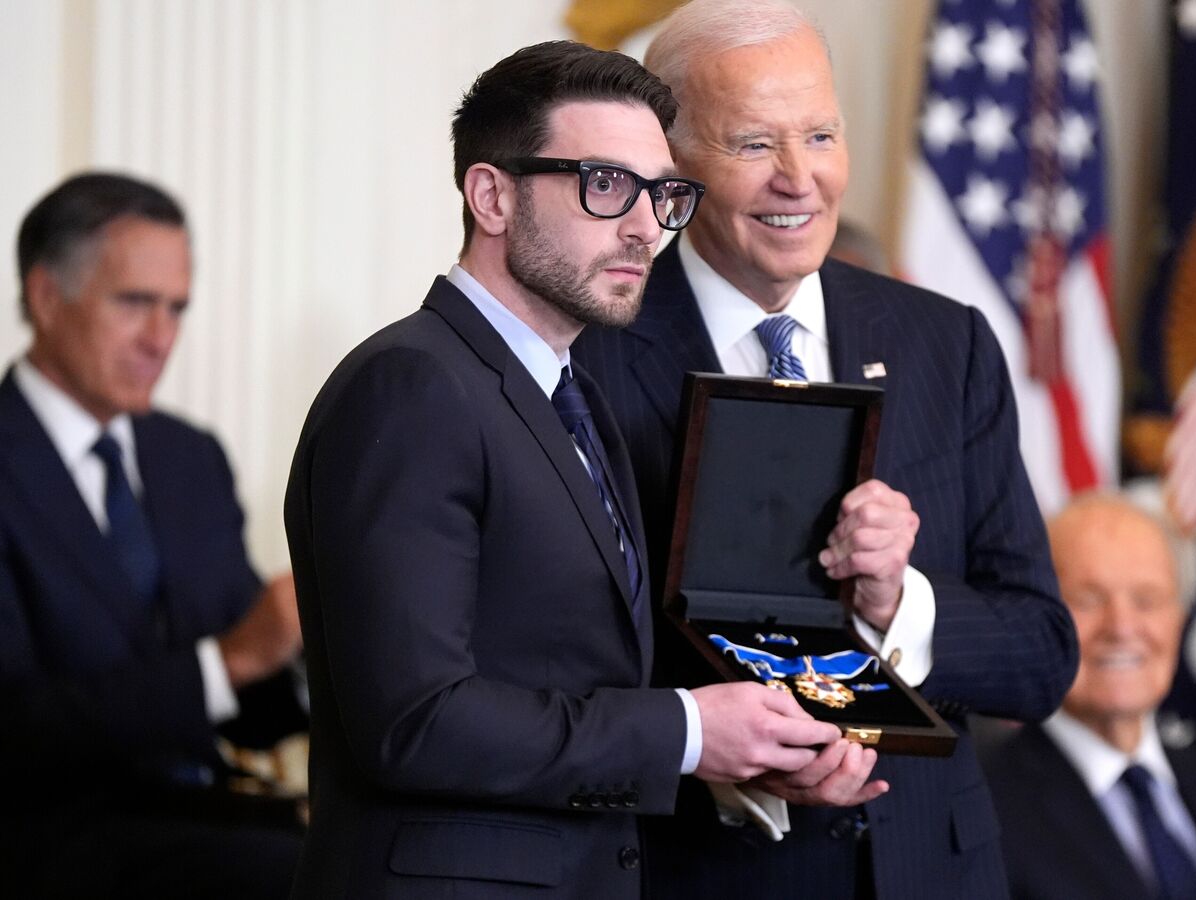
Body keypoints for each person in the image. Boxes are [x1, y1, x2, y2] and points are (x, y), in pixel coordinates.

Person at [283, 40, 844, 898]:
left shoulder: (572, 393)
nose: (645, 227)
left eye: (663, 194)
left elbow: (572, 678)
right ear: (492, 195)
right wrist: (687, 731)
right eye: (605, 184)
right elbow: (413, 719)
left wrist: (749, 751)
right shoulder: (412, 385)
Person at [570, 2, 1079, 896]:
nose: (799, 179)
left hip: (932, 871)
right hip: (699, 871)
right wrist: (721, 760)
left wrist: (898, 607)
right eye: (755, 145)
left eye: (820, 135)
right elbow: (559, 670)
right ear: (675, 164)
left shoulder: (944, 345)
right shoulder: (590, 356)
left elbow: (1040, 652)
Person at [0, 172, 307, 897]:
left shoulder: (187, 457)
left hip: (208, 818)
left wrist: (312, 646)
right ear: (47, 297)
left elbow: (250, 705)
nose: (161, 338)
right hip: (50, 840)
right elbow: (15, 728)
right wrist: (229, 661)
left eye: (177, 309)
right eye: (135, 303)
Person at [982, 493, 1196, 899]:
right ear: (1036, 620)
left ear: (1179, 620)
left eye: (1147, 599)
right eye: (1088, 599)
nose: (1122, 627)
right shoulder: (985, 810)